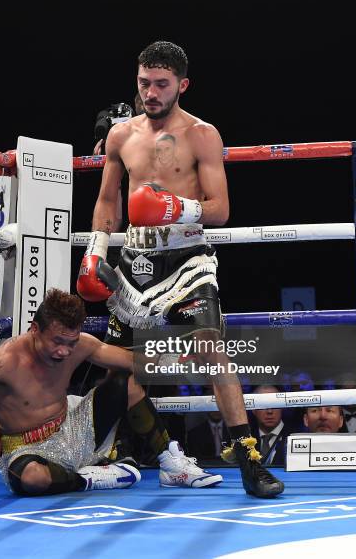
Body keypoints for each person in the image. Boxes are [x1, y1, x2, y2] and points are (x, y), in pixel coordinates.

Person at [76, 40, 283, 498]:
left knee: (212, 347)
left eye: (161, 84)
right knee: (116, 374)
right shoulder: (120, 136)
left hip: (189, 259)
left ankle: (249, 462)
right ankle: (155, 455)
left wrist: (172, 207)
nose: (150, 92)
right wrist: (94, 251)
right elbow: (108, 202)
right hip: (135, 259)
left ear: (182, 85)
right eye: (144, 82)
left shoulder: (202, 135)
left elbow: (221, 208)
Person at [0, 289, 221, 496]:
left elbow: (129, 360)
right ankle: (92, 478)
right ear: (35, 329)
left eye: (71, 342)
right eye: (57, 341)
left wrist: (173, 360)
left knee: (125, 380)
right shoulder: (4, 361)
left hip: (75, 428)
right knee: (32, 480)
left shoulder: (79, 345)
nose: (64, 351)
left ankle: (171, 465)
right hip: (27, 448)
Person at [250, 386, 294, 466]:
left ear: (282, 407)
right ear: (253, 409)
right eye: (263, 405)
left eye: (275, 404)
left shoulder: (294, 436)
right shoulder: (245, 438)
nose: (269, 411)